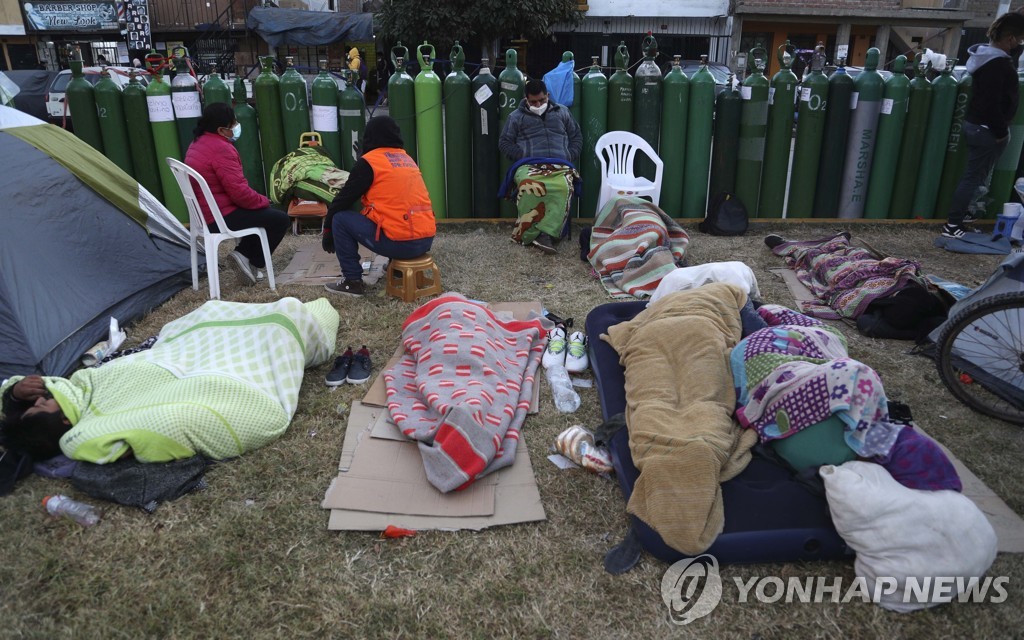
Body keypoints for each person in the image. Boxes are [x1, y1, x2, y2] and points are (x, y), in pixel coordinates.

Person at [0, 297, 340, 463]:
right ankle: (289, 324)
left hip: (173, 354)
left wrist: (14, 393)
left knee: (210, 311)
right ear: (61, 421)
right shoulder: (87, 428)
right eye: (39, 407)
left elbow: (13, 401)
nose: (41, 397)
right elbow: (169, 419)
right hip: (208, 371)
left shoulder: (77, 388)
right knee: (286, 314)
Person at [322, 115, 435, 297]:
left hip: (401, 244)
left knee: (340, 219)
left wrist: (328, 231)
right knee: (393, 211)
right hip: (425, 241)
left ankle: (352, 282)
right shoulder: (407, 159)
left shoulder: (370, 163)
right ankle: (396, 268)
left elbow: (343, 200)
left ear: (369, 137)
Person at [184, 102, 290, 284]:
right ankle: (246, 256)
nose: (235, 127)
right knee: (280, 220)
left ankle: (245, 257)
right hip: (220, 216)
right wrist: (264, 201)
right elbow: (240, 194)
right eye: (232, 125)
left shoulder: (197, 143)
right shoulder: (221, 149)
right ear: (220, 129)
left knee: (257, 214)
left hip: (204, 214)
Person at [943, 11, 1024, 239]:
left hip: (978, 125)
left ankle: (962, 216)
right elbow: (991, 104)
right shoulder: (998, 66)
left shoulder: (987, 58)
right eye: (1017, 40)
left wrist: (1017, 15)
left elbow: (1010, 49)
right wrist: (1000, 133)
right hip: (987, 129)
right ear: (1009, 39)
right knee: (973, 176)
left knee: (976, 176)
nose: (1018, 45)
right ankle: (953, 225)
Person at [498, 79, 582, 254]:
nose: (538, 104)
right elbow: (504, 143)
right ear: (526, 99)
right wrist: (522, 155)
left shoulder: (563, 112)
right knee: (528, 186)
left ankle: (549, 233)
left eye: (541, 100)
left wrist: (569, 154)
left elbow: (576, 137)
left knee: (563, 187)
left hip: (560, 165)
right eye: (533, 102)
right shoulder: (516, 117)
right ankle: (534, 234)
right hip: (529, 165)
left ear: (548, 96)